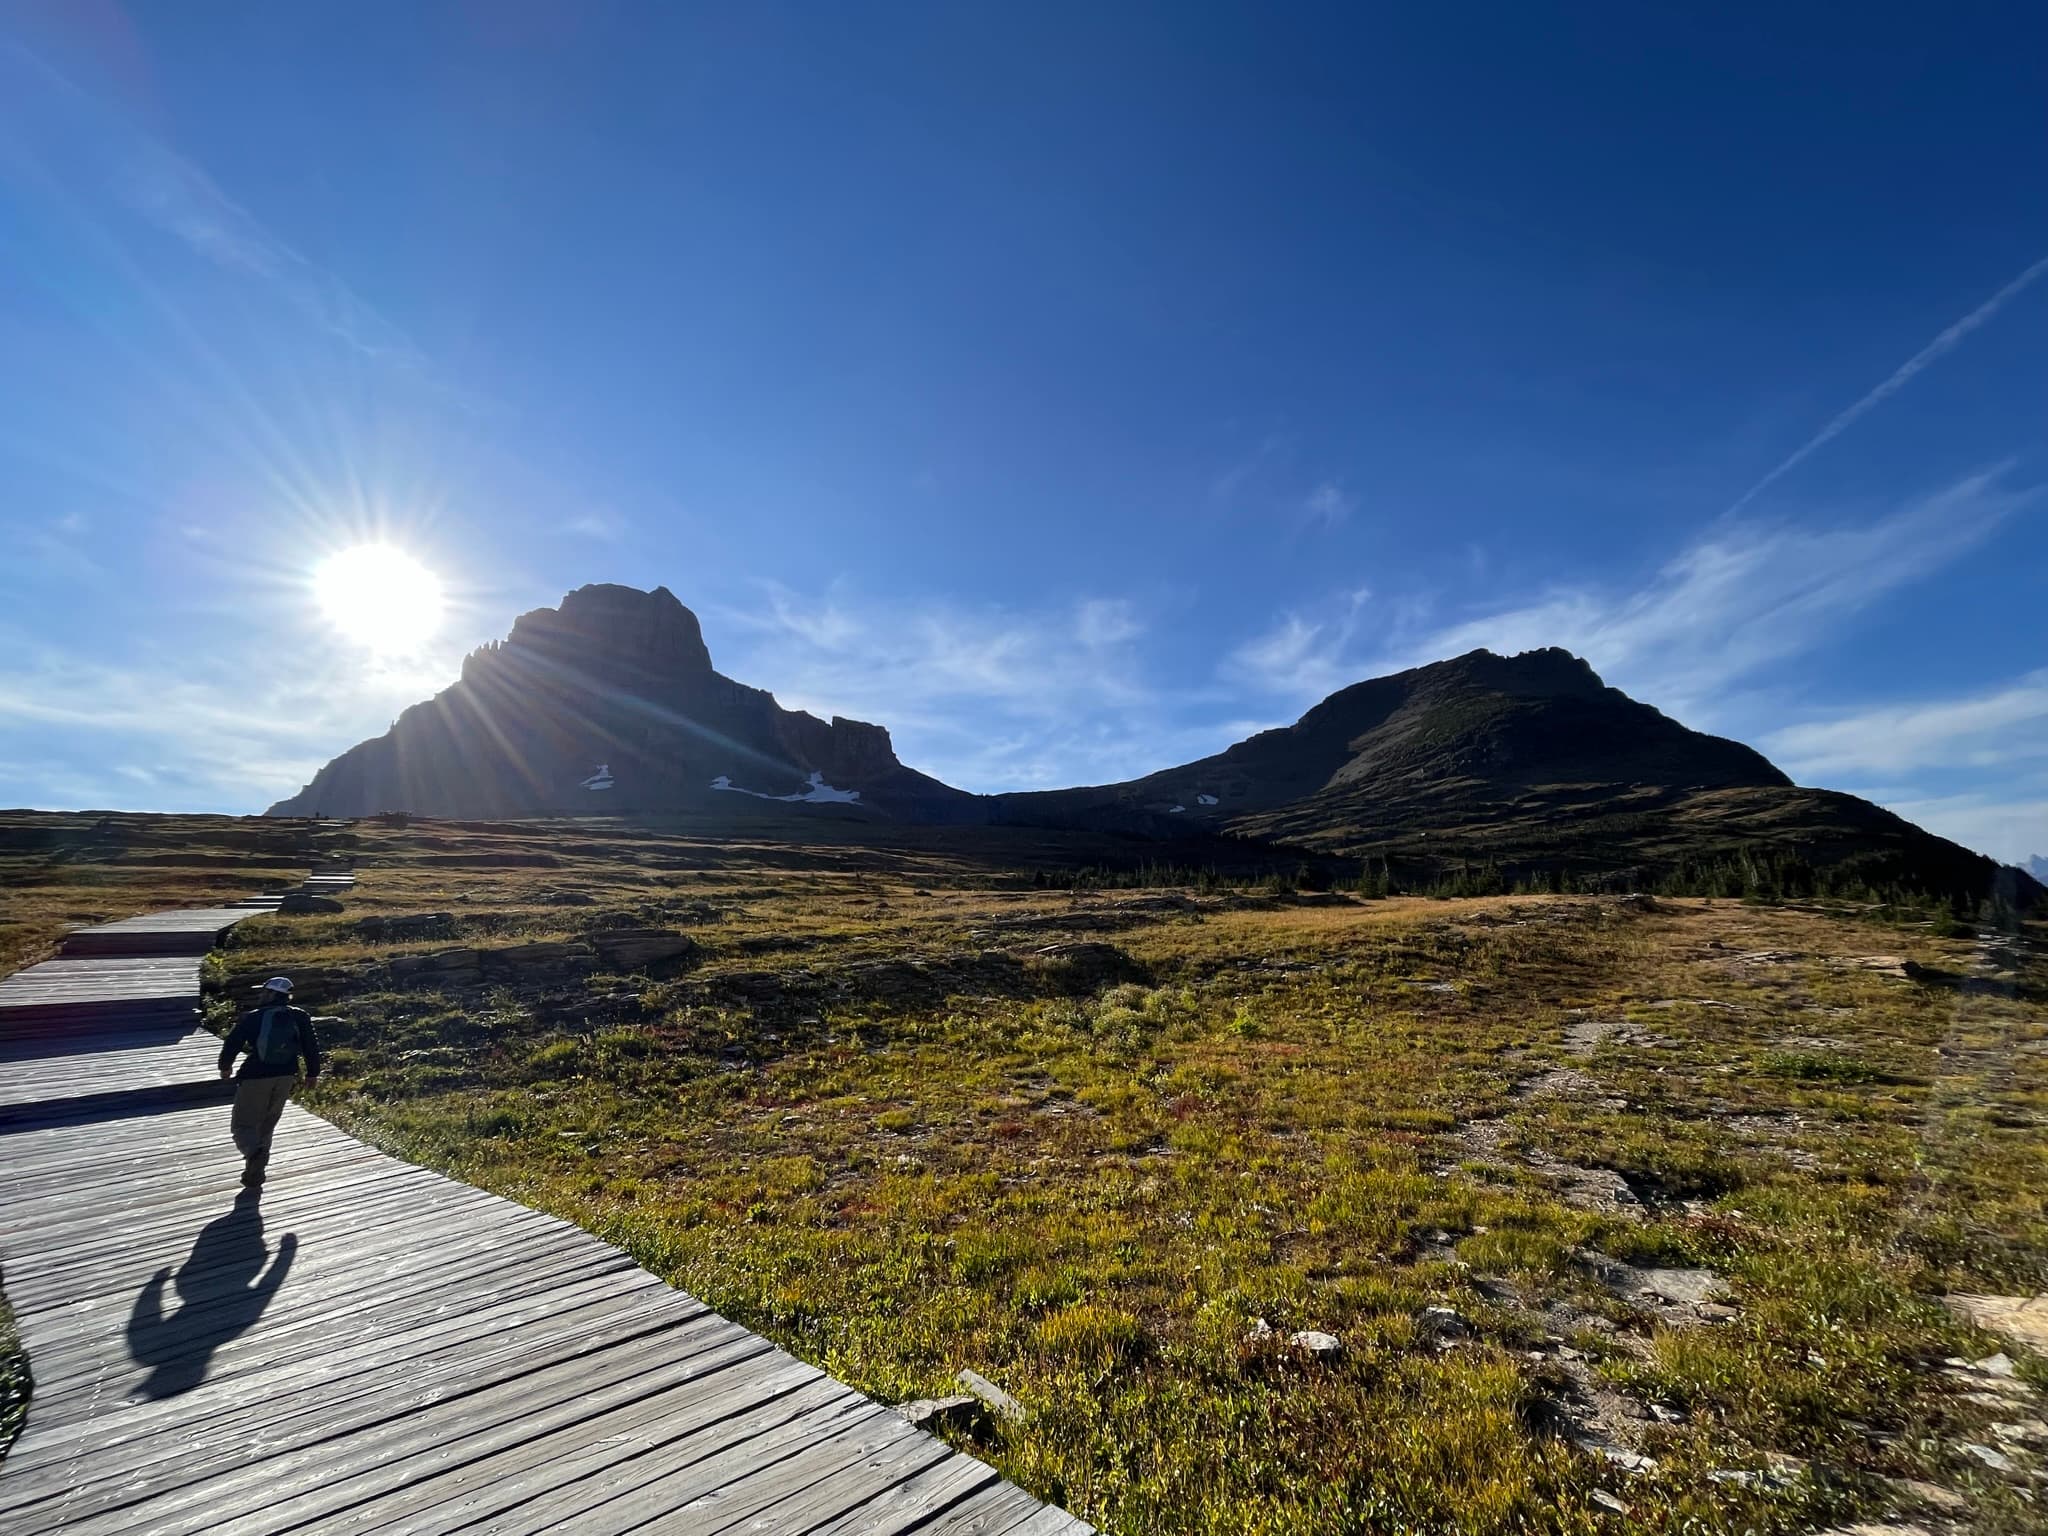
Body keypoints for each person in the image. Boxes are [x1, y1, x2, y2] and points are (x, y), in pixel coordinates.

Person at [217, 977, 323, 1189]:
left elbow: (233, 1042)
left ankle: (254, 1154)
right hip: (286, 1076)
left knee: (243, 1126)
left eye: (264, 991)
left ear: (270, 994)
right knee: (266, 1126)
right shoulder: (299, 1016)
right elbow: (311, 1046)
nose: (261, 995)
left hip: (255, 1076)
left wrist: (225, 1066)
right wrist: (313, 1074)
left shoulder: (254, 1017)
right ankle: (254, 1176)